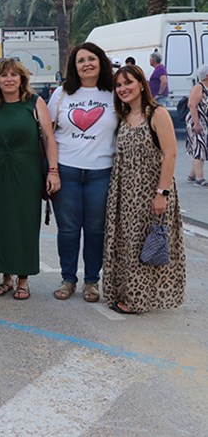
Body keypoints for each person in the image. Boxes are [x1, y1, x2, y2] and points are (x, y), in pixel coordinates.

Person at [104, 65, 185, 314]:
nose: (123, 89)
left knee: (145, 245)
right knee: (127, 245)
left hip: (150, 191)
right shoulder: (123, 116)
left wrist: (162, 193)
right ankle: (126, 293)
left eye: (128, 82)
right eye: (118, 85)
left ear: (141, 84)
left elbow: (170, 154)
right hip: (125, 192)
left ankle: (137, 300)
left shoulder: (157, 114)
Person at [48, 42, 118, 303]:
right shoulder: (61, 94)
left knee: (96, 229)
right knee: (67, 229)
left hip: (101, 172)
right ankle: (68, 279)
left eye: (91, 59)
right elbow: (48, 135)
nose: (86, 64)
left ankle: (91, 281)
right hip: (67, 170)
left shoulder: (114, 93)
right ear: (74, 66)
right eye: (80, 60)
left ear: (101, 62)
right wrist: (52, 170)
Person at [0, 59, 59, 301]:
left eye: (13, 75)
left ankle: (23, 279)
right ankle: (6, 277)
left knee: (25, 224)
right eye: (3, 75)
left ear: (21, 79)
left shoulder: (34, 103)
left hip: (28, 173)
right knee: (1, 224)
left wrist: (53, 171)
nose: (9, 79)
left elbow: (48, 138)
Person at [185, 65, 208, 187]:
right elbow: (191, 105)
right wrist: (197, 123)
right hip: (196, 121)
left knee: (200, 147)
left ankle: (192, 175)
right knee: (200, 147)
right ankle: (199, 178)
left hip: (203, 122)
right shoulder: (199, 87)